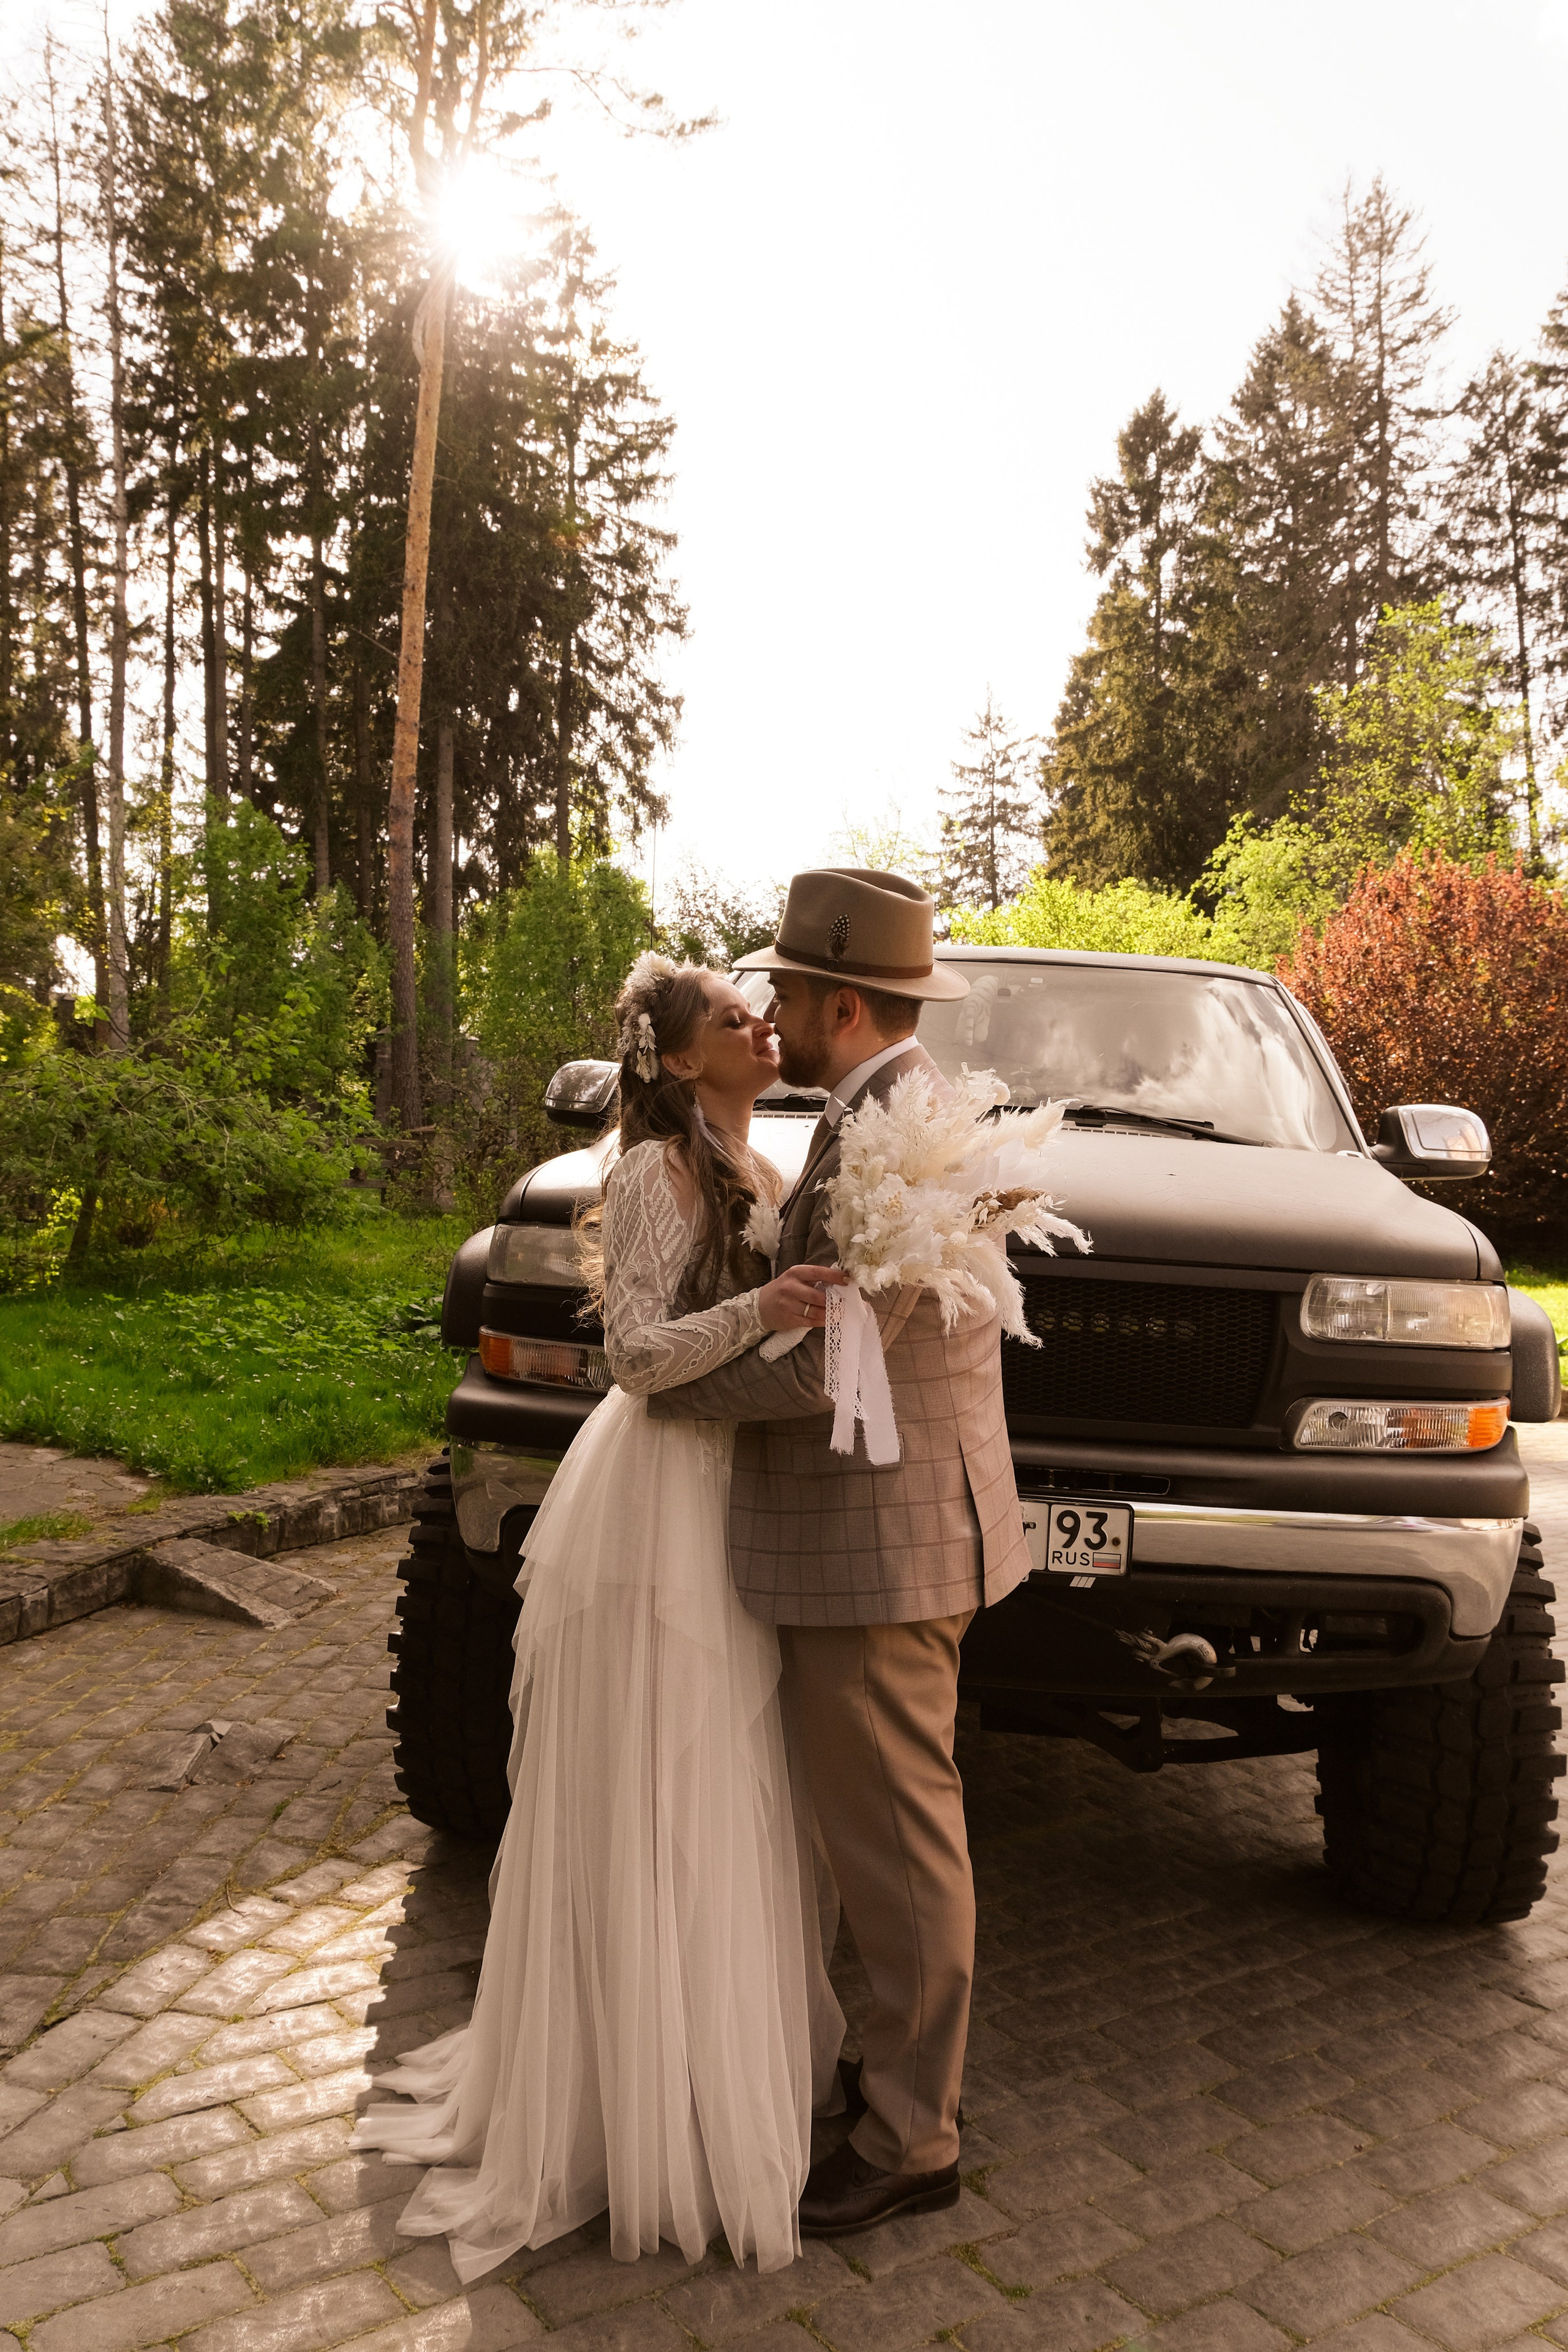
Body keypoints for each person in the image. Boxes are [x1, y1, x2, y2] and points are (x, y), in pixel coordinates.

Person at [352, 953, 850, 2277]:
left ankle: (710, 2067)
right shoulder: (648, 1174)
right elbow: (629, 1354)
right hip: (656, 1502)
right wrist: (768, 1305)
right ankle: (629, 2106)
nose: (762, 1023)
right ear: (681, 1060)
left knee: (735, 1774)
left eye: (763, 1012)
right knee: (659, 1772)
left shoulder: (762, 1165)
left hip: (740, 1484)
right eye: (735, 1018)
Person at [646, 867, 1031, 2237]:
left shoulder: (896, 1136)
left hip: (879, 1545)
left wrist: (663, 1391)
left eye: (790, 995)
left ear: (844, 1004)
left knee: (896, 1845)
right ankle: (894, 2075)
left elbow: (827, 1366)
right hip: (896, 1528)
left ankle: (910, 2136)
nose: (772, 1012)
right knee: (883, 1832)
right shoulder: (884, 1117)